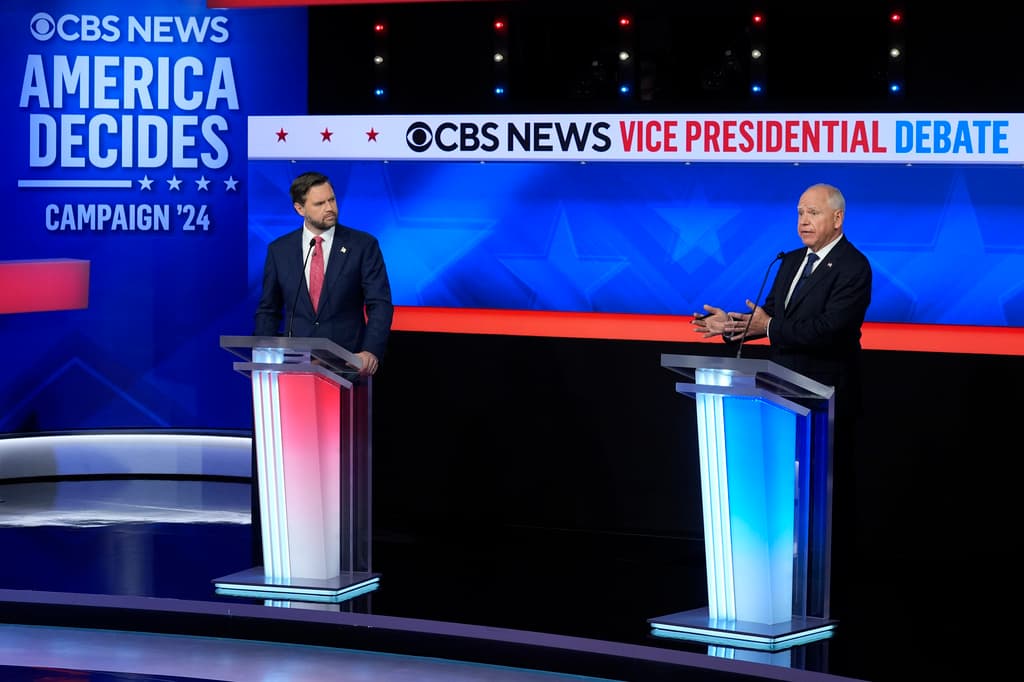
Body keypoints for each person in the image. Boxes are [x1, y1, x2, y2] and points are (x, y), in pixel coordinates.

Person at [691, 182, 872, 621]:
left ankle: (829, 591)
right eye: (800, 213)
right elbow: (769, 319)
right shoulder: (789, 262)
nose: (803, 221)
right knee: (783, 494)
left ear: (837, 219)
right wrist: (733, 325)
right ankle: (780, 581)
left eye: (813, 213)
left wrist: (768, 327)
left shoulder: (854, 267)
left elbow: (826, 331)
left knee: (823, 499)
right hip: (779, 395)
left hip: (825, 399)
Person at [254, 171, 393, 375]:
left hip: (349, 365)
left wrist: (370, 351)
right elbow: (269, 309)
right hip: (296, 367)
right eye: (319, 204)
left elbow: (380, 303)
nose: (329, 208)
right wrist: (263, 354)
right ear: (300, 209)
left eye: (332, 200)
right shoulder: (279, 250)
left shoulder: (363, 245)